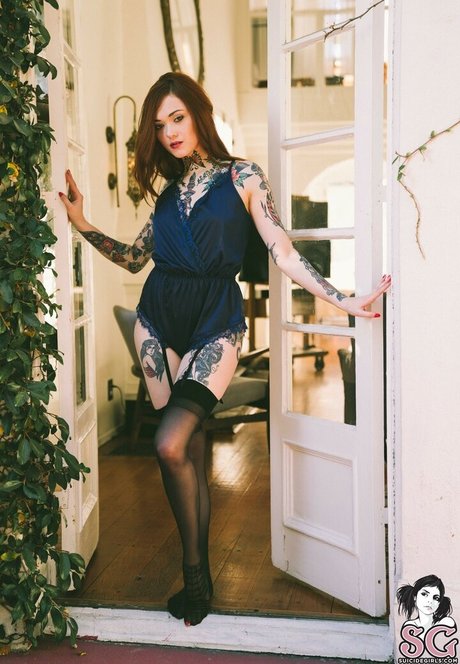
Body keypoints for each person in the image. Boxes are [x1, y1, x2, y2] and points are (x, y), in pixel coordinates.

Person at [59, 72, 391, 627]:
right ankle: (200, 575)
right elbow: (135, 259)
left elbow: (282, 250)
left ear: (198, 114)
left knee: (168, 444)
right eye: (159, 125)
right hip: (157, 319)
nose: (169, 132)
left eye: (177, 118)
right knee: (185, 453)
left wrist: (343, 300)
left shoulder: (243, 175)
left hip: (215, 320)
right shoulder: (167, 195)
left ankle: (193, 571)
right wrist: (81, 223)